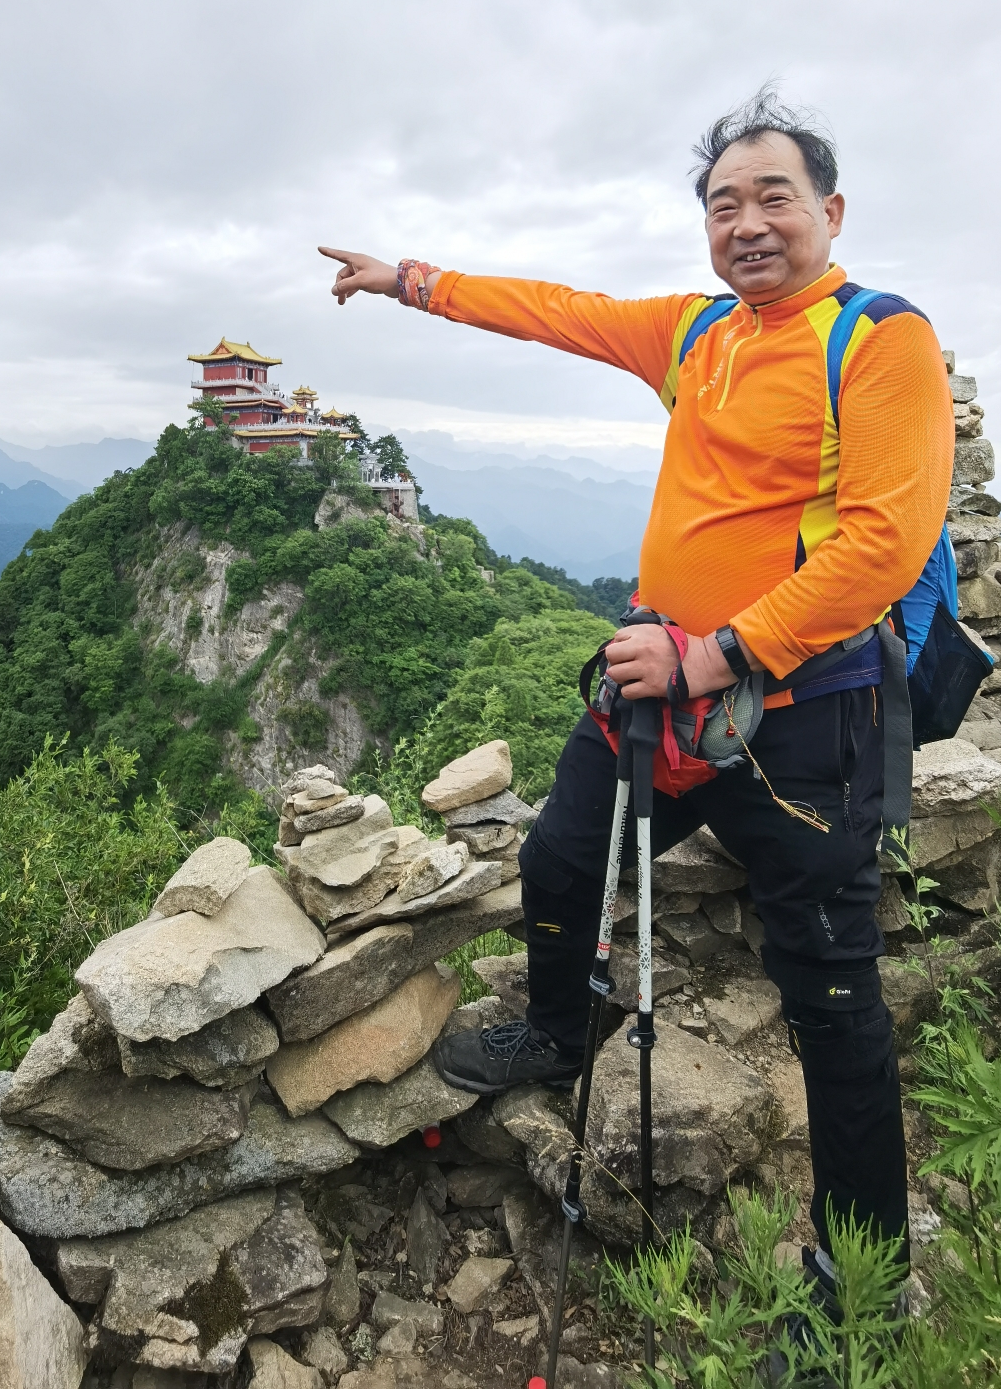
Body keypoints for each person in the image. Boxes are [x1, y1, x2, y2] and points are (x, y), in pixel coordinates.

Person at [320, 92, 953, 1294]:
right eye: (724, 204)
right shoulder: (697, 333)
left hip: (807, 722)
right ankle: (559, 1032)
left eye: (775, 197)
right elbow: (560, 313)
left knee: (830, 996)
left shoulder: (878, 340)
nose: (748, 223)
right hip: (656, 698)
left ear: (831, 210)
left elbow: (880, 544)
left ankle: (857, 1281)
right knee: (561, 860)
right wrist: (409, 278)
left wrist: (715, 655)